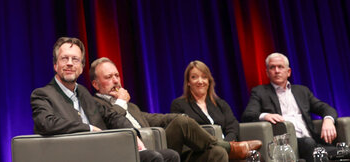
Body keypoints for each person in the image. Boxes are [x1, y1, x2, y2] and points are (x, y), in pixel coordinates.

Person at [31, 36, 177, 162]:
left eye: (75, 59)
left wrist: (133, 134)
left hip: (103, 151)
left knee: (171, 155)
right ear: (55, 65)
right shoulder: (42, 94)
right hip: (74, 155)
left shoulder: (83, 92)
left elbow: (110, 116)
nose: (70, 63)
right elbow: (46, 123)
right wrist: (88, 129)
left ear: (81, 67)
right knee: (152, 158)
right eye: (64, 58)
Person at [91, 57, 260, 161]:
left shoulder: (131, 105)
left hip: (163, 148)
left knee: (216, 153)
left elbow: (154, 118)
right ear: (96, 84)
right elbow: (113, 124)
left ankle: (224, 149)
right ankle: (231, 148)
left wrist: (179, 116)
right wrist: (120, 102)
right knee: (181, 123)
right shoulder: (96, 104)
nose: (116, 81)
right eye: (108, 77)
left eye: (117, 75)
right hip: (142, 151)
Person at [241, 52, 338, 161]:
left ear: (288, 72)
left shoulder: (302, 91)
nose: (277, 71)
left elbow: (325, 108)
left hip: (313, 142)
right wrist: (265, 116)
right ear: (267, 73)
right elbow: (247, 115)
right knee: (308, 143)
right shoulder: (260, 92)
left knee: (349, 151)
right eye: (272, 67)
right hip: (288, 144)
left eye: (280, 67)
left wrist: (328, 120)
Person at [170, 60, 243, 143]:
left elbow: (232, 126)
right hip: (202, 149)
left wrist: (227, 144)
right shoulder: (179, 105)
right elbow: (183, 133)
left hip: (227, 146)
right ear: (188, 82)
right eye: (194, 77)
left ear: (209, 81)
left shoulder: (220, 103)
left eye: (204, 77)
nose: (200, 81)